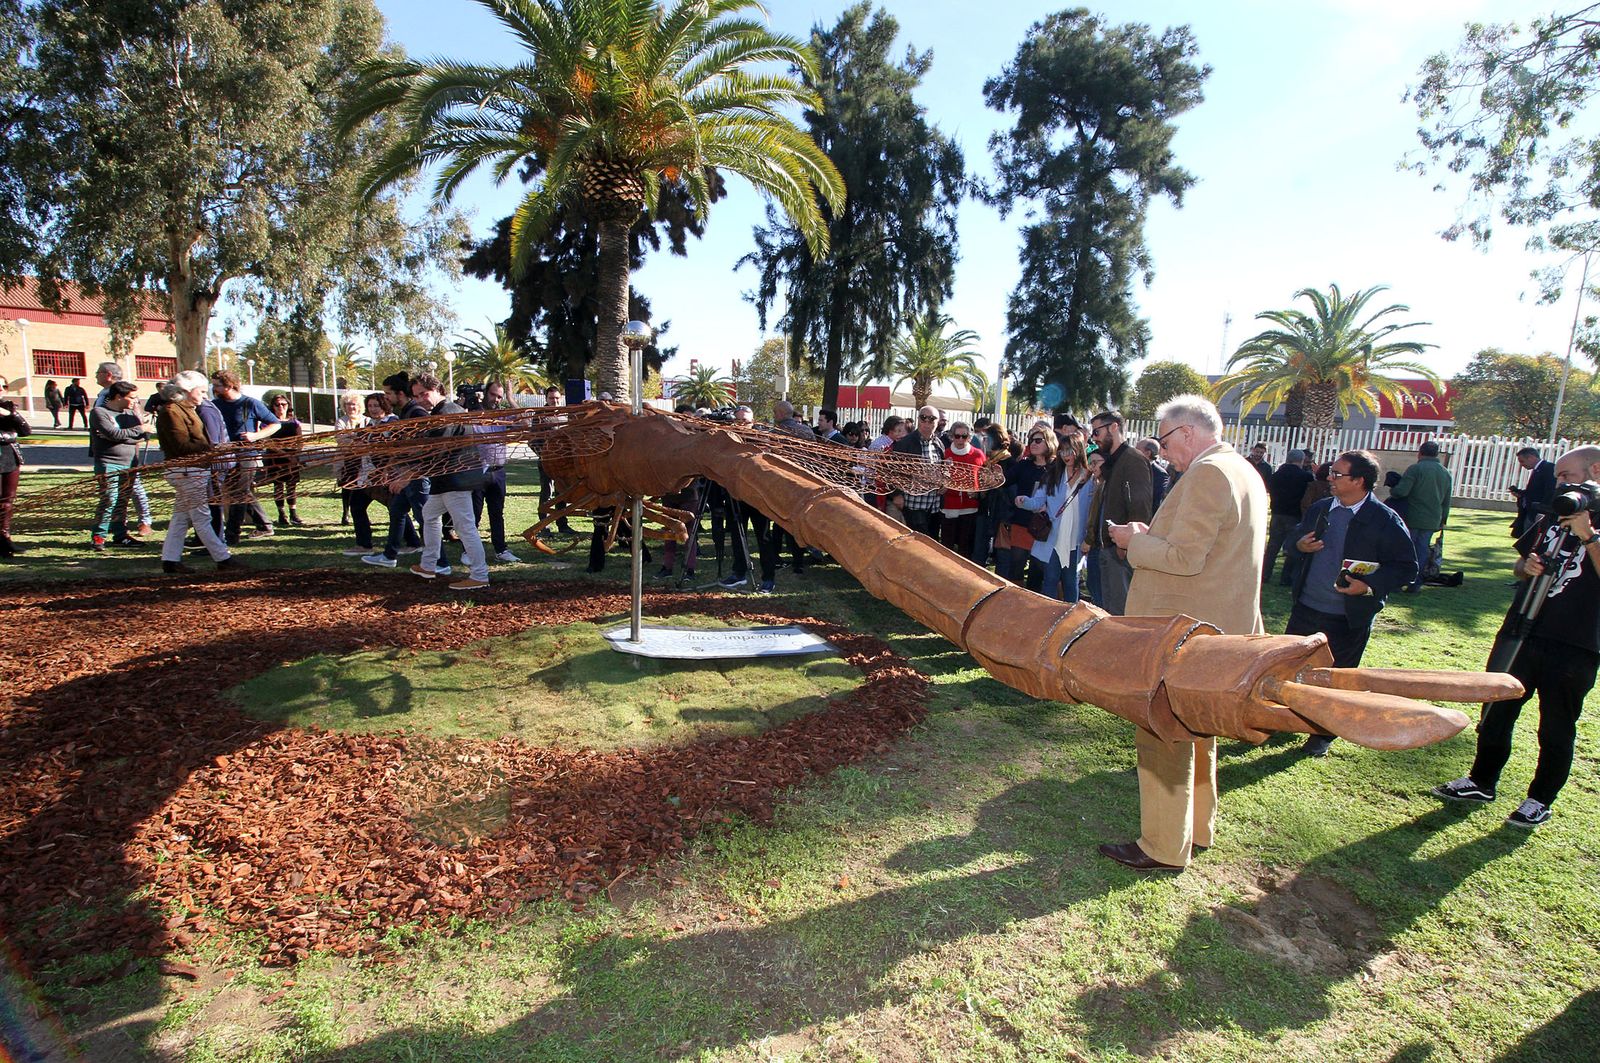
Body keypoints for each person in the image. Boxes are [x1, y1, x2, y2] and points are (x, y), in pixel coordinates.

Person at [1103, 394, 1268, 872]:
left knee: (1164, 733)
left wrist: (1134, 542)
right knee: (1197, 731)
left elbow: (1184, 558)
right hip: (1211, 631)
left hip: (1182, 634)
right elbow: (1206, 550)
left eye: (1165, 438)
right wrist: (1149, 535)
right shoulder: (1242, 470)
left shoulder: (1208, 474)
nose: (1161, 448)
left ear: (1188, 433)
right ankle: (1196, 829)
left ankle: (1162, 845)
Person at [1433, 446, 1600, 828]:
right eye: (1557, 477)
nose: (1560, 484)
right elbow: (1520, 562)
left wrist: (1588, 536)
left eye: (1567, 476)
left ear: (1595, 470)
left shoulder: (1588, 519)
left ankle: (1540, 799)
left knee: (1555, 726)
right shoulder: (1555, 514)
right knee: (1497, 708)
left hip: (1574, 644)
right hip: (1522, 630)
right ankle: (1481, 781)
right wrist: (1527, 566)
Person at [1287, 450, 1418, 755]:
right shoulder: (1320, 509)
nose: (1329, 478)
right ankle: (1289, 719)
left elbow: (1406, 567)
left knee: (1338, 676)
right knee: (1292, 668)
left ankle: (1323, 734)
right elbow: (1292, 539)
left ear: (1359, 481)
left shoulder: (1384, 519)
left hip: (1347, 616)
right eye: (1330, 472)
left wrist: (1369, 586)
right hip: (1306, 607)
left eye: (1337, 474)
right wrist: (1299, 545)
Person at [405, 373, 489, 591]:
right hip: (446, 480)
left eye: (424, 394)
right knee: (429, 515)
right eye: (416, 396)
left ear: (437, 389)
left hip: (455, 480)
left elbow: (434, 449)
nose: (420, 399)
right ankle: (428, 565)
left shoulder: (446, 412)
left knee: (465, 527)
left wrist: (410, 469)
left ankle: (480, 575)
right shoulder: (446, 411)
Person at [154, 371, 235, 574]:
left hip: (193, 469)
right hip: (187, 471)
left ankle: (170, 560)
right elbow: (181, 445)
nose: (205, 395)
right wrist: (211, 449)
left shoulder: (186, 409)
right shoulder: (172, 411)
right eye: (201, 391)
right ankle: (223, 558)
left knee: (180, 518)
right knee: (202, 518)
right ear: (187, 391)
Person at [1082, 409, 1153, 615]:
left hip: (1121, 550)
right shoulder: (1112, 461)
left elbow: (1140, 507)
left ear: (1114, 427)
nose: (1094, 438)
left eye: (1097, 432)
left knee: (1120, 614)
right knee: (1108, 610)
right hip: (1107, 547)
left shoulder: (1133, 459)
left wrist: (1128, 545)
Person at [1014, 431, 1092, 601]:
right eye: (1062, 451)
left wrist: (1089, 538)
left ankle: (1071, 614)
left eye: (1070, 450)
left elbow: (1092, 511)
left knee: (1071, 582)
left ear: (1079, 450)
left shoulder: (1089, 477)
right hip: (1054, 537)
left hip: (1075, 539)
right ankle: (1049, 613)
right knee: (1050, 579)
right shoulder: (1053, 475)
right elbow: (1038, 501)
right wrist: (1024, 501)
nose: (1066, 455)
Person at [209, 370, 281, 543]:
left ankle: (232, 534)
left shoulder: (250, 403)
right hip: (224, 455)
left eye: (217, 385)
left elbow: (275, 424)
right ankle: (264, 525)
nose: (213, 388)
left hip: (246, 454)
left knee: (238, 493)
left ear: (229, 386)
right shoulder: (214, 405)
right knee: (241, 491)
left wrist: (255, 436)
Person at [88, 381, 151, 551]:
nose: (135, 401)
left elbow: (142, 437)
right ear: (118, 396)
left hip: (130, 464)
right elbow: (113, 433)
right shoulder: (99, 413)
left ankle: (120, 535)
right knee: (109, 499)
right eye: (132, 397)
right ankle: (99, 536)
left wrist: (123, 436)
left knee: (123, 501)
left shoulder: (130, 414)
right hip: (108, 463)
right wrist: (138, 429)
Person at [1389, 440, 1453, 592]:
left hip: (1412, 516)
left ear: (1420, 453)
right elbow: (1446, 500)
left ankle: (1399, 582)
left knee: (1405, 549)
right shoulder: (1445, 473)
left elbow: (1402, 491)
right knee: (1422, 551)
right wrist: (1443, 519)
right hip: (1432, 519)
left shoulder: (1415, 469)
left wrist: (1393, 489)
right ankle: (1415, 583)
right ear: (1436, 454)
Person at [337, 392, 390, 558]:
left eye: (377, 405)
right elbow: (346, 442)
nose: (373, 409)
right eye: (370, 406)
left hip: (382, 474)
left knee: (396, 508)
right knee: (357, 505)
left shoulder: (390, 422)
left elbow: (388, 449)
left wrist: (384, 470)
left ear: (384, 406)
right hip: (366, 474)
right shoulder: (370, 424)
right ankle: (364, 544)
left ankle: (412, 542)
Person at [473, 381, 519, 562]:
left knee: (497, 513)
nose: (496, 400)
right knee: (474, 514)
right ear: (485, 393)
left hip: (498, 471)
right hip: (477, 471)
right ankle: (468, 551)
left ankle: (501, 550)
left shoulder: (503, 417)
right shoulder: (472, 415)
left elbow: (525, 421)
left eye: (500, 397)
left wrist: (510, 399)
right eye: (493, 395)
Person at [1004, 429, 1055, 591]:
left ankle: (1034, 600)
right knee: (1016, 565)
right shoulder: (1024, 464)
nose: (1033, 443)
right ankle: (1015, 598)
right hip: (1021, 522)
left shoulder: (1056, 467)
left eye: (1038, 440)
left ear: (1049, 442)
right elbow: (1005, 481)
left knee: (1037, 569)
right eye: (1032, 440)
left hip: (1044, 526)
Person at [1262, 449, 1314, 585]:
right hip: (1294, 514)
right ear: (1301, 460)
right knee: (1292, 547)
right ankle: (1286, 578)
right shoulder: (1305, 477)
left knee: (1273, 546)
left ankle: (1265, 574)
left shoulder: (1276, 475)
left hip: (1277, 512)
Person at [892, 405, 946, 538]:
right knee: (919, 541)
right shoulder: (905, 443)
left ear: (937, 422)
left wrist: (944, 481)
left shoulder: (938, 444)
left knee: (932, 541)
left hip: (934, 504)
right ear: (918, 420)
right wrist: (897, 494)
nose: (927, 423)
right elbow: (893, 471)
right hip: (914, 503)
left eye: (931, 419)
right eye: (923, 418)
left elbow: (943, 468)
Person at [939, 422, 987, 557]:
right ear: (951, 436)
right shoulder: (945, 453)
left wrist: (978, 492)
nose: (960, 439)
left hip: (970, 507)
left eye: (964, 436)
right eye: (957, 436)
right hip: (949, 506)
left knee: (965, 546)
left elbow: (984, 479)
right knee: (947, 546)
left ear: (969, 437)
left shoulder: (978, 454)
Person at [536, 383, 574, 535]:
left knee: (561, 493)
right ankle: (543, 525)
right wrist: (544, 455)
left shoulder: (564, 415)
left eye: (557, 398)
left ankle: (562, 524)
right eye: (551, 398)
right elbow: (533, 440)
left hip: (562, 463)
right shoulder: (540, 416)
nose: (555, 401)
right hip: (546, 462)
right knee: (547, 492)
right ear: (546, 399)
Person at [263, 393, 304, 526]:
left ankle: (293, 514)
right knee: (278, 486)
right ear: (273, 407)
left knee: (292, 486)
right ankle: (281, 514)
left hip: (292, 459)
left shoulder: (294, 422)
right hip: (276, 458)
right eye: (277, 405)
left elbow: (300, 441)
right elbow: (268, 442)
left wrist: (295, 454)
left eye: (283, 404)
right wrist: (284, 454)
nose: (281, 407)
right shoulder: (269, 422)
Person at [0, 395, 31, 557]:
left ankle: (4, 538)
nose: (0, 390)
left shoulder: (7, 407)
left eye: (2, 387)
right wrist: (8, 436)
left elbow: (25, 431)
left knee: (6, 502)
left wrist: (12, 414)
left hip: (9, 458)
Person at [1510, 446, 1556, 539]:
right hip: (1531, 510)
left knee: (1531, 540)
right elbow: (1535, 490)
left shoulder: (1549, 468)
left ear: (1531, 457)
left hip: (1539, 512)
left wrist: (1542, 508)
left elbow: (1550, 490)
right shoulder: (1538, 469)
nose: (1522, 465)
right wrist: (1521, 494)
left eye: (1522, 461)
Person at [1136, 437, 1170, 511]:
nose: (1133, 452)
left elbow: (1157, 501)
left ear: (1147, 453)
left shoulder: (1160, 474)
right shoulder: (1132, 468)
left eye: (1137, 450)